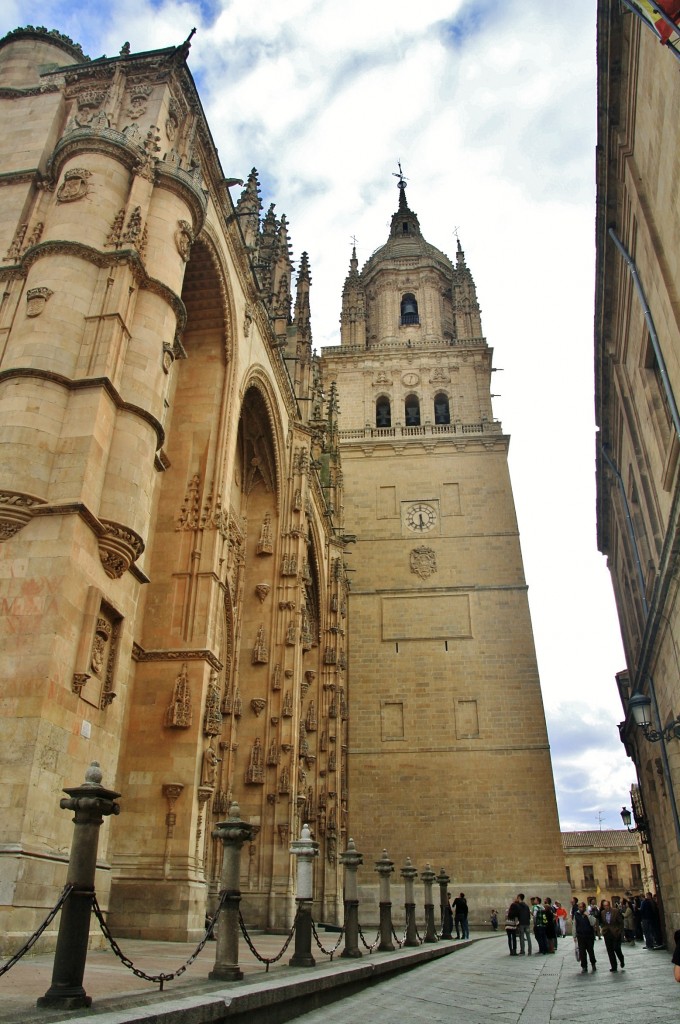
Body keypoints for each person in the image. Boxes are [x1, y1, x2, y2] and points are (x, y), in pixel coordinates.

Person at [599, 898, 625, 972]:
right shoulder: (602, 912)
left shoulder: (615, 911)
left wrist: (620, 931)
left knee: (616, 948)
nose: (606, 907)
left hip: (615, 933)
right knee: (610, 950)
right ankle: (614, 966)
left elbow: (621, 922)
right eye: (604, 906)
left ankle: (621, 959)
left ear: (609, 905)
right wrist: (603, 929)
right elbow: (603, 923)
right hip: (607, 933)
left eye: (607, 905)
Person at [574, 901, 597, 973]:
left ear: (584, 907)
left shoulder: (589, 913)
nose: (580, 908)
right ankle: (584, 966)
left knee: (590, 951)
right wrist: (574, 935)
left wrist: (588, 915)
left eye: (582, 907)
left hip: (589, 935)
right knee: (582, 952)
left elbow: (593, 922)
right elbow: (574, 925)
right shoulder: (576, 914)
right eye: (579, 907)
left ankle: (593, 963)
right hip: (580, 936)